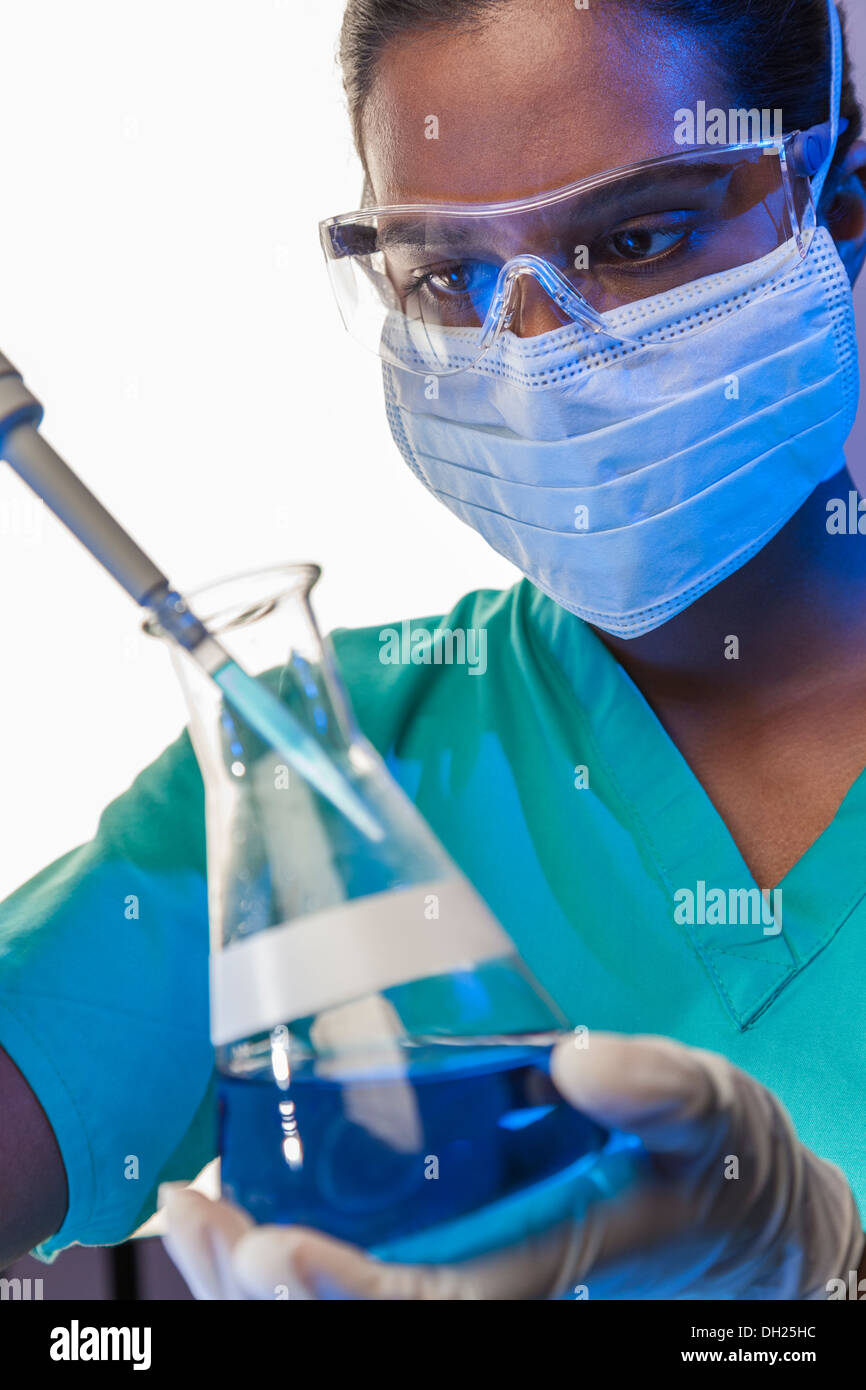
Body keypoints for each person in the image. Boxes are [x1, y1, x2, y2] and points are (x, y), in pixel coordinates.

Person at [1, 0, 866, 1299]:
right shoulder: (299, 762)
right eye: (442, 273)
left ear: (835, 200)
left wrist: (817, 1282)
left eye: (630, 236)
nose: (526, 354)